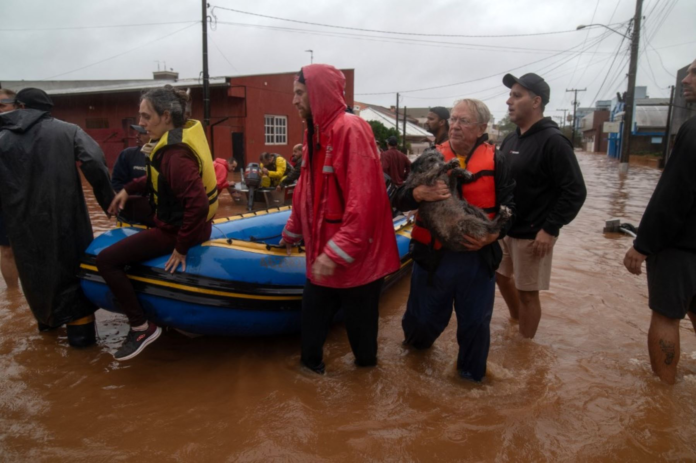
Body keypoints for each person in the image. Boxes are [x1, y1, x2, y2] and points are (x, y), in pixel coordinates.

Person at [280, 64, 400, 374]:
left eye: (299, 93)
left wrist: (335, 252)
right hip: (323, 258)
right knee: (310, 345)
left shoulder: (351, 129)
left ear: (317, 93)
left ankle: (363, 400)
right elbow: (306, 190)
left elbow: (365, 201)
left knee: (364, 353)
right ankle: (313, 401)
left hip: (356, 264)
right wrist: (293, 231)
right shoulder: (313, 134)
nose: (293, 101)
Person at [393, 99, 515, 382]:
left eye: (464, 121)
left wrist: (494, 235)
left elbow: (514, 207)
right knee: (420, 325)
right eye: (454, 120)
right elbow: (396, 196)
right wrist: (418, 195)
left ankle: (471, 386)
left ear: (482, 128)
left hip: (477, 260)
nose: (455, 126)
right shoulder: (431, 156)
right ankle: (412, 373)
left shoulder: (498, 161)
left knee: (475, 327)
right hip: (432, 259)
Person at [96, 86, 219, 361]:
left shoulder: (176, 156)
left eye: (145, 116)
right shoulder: (175, 140)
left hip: (179, 230)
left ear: (165, 116)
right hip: (178, 221)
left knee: (106, 261)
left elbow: (197, 204)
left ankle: (141, 327)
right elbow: (157, 177)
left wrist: (181, 247)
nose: (140, 123)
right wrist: (128, 189)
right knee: (130, 212)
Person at [0, 88, 114, 346]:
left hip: (22, 227)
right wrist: (108, 203)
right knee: (73, 281)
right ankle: (82, 347)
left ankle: (47, 332)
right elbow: (94, 162)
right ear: (47, 109)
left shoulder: (3, 139)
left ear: (19, 106)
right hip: (66, 221)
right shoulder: (68, 130)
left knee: (36, 282)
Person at [496, 73, 587, 339]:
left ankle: (525, 348)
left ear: (536, 101)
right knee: (500, 277)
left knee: (527, 293)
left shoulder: (554, 141)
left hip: (534, 234)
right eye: (510, 95)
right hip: (506, 228)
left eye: (516, 95)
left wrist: (550, 229)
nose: (509, 101)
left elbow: (575, 191)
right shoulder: (511, 139)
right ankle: (516, 321)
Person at [623, 59, 696, 385]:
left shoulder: (692, 129)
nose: (686, 80)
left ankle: (664, 393)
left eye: (695, 73)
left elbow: (673, 193)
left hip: (680, 246)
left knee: (667, 317)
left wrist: (643, 245)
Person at [0, 89, 19, 290]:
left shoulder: (30, 129)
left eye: (2, 106)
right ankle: (14, 296)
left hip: (30, 197)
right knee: (7, 250)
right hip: (4, 199)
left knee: (37, 247)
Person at [111, 124, 149, 192]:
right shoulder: (127, 154)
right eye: (138, 133)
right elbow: (116, 182)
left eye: (142, 133)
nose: (137, 136)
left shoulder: (163, 155)